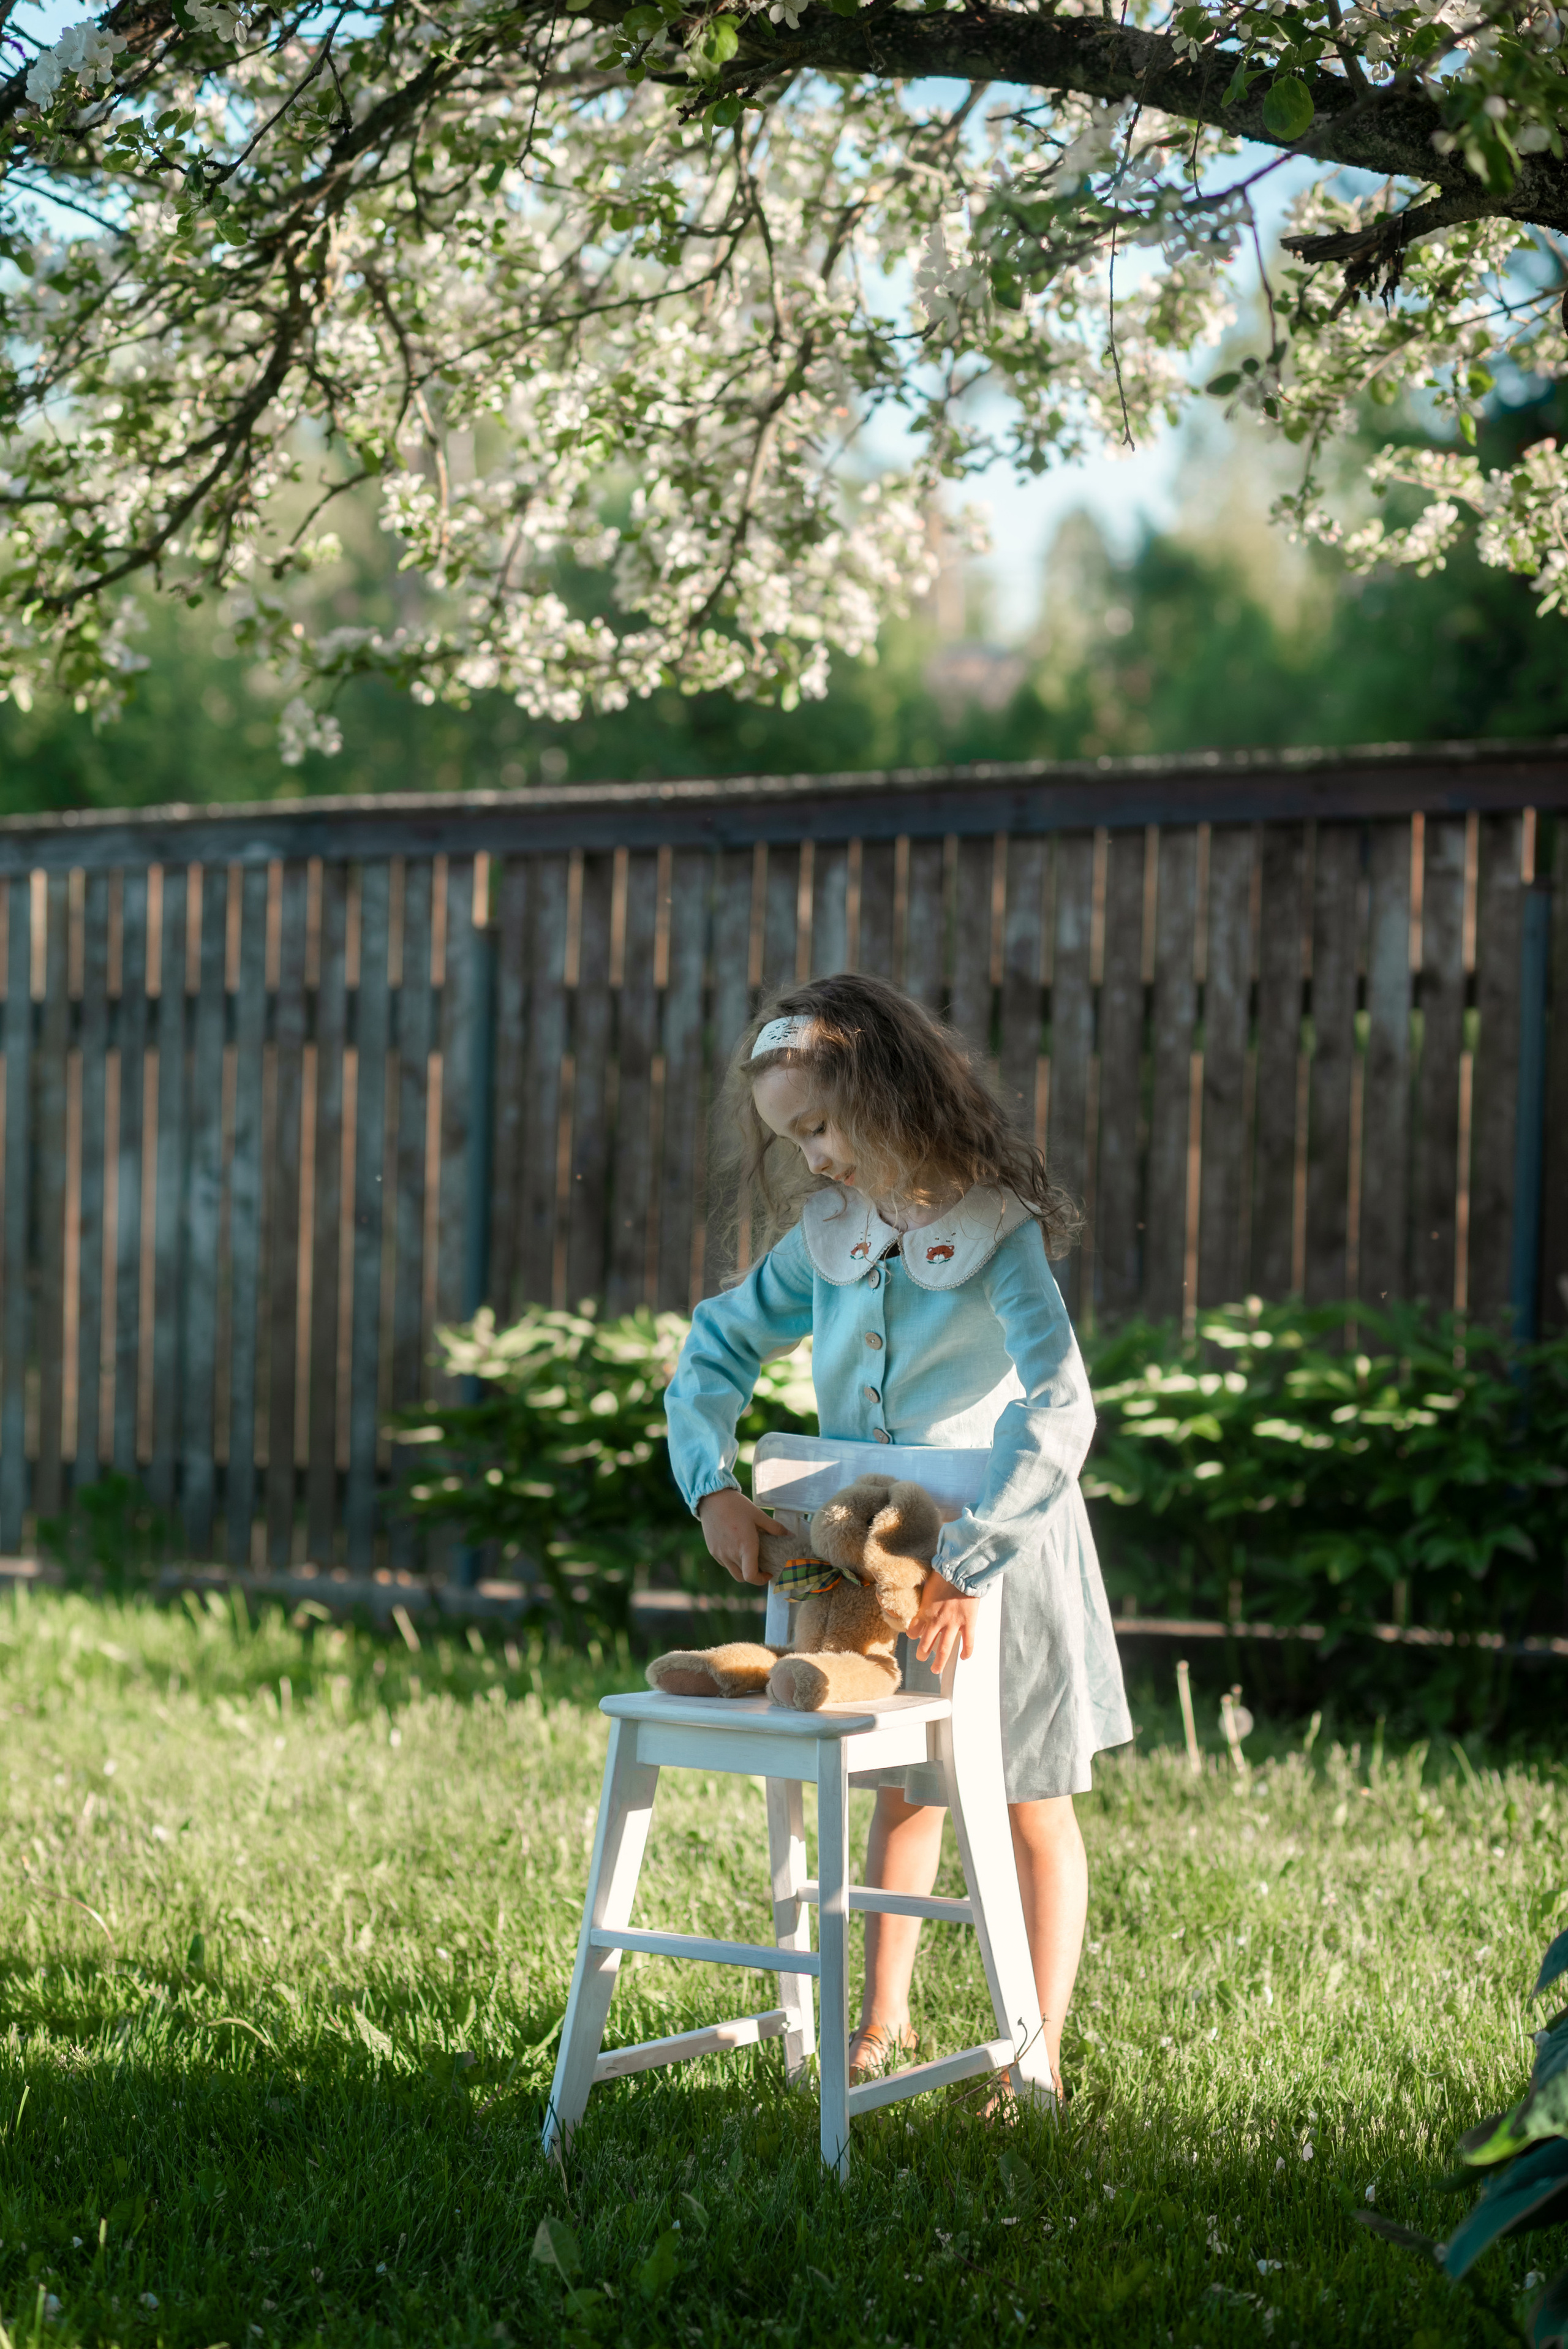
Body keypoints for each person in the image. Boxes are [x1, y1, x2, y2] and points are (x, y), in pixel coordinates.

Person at [662, 972, 1132, 2098]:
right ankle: (880, 2026)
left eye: (821, 1128)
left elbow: (1061, 1405)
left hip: (994, 1560)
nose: (814, 1158)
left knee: (1027, 1799)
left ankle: (1036, 2047)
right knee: (905, 1790)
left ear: (884, 1095)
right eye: (793, 1139)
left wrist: (973, 1562)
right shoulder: (828, 1235)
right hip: (872, 1571)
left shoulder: (992, 1227)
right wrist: (713, 1487)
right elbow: (715, 1347)